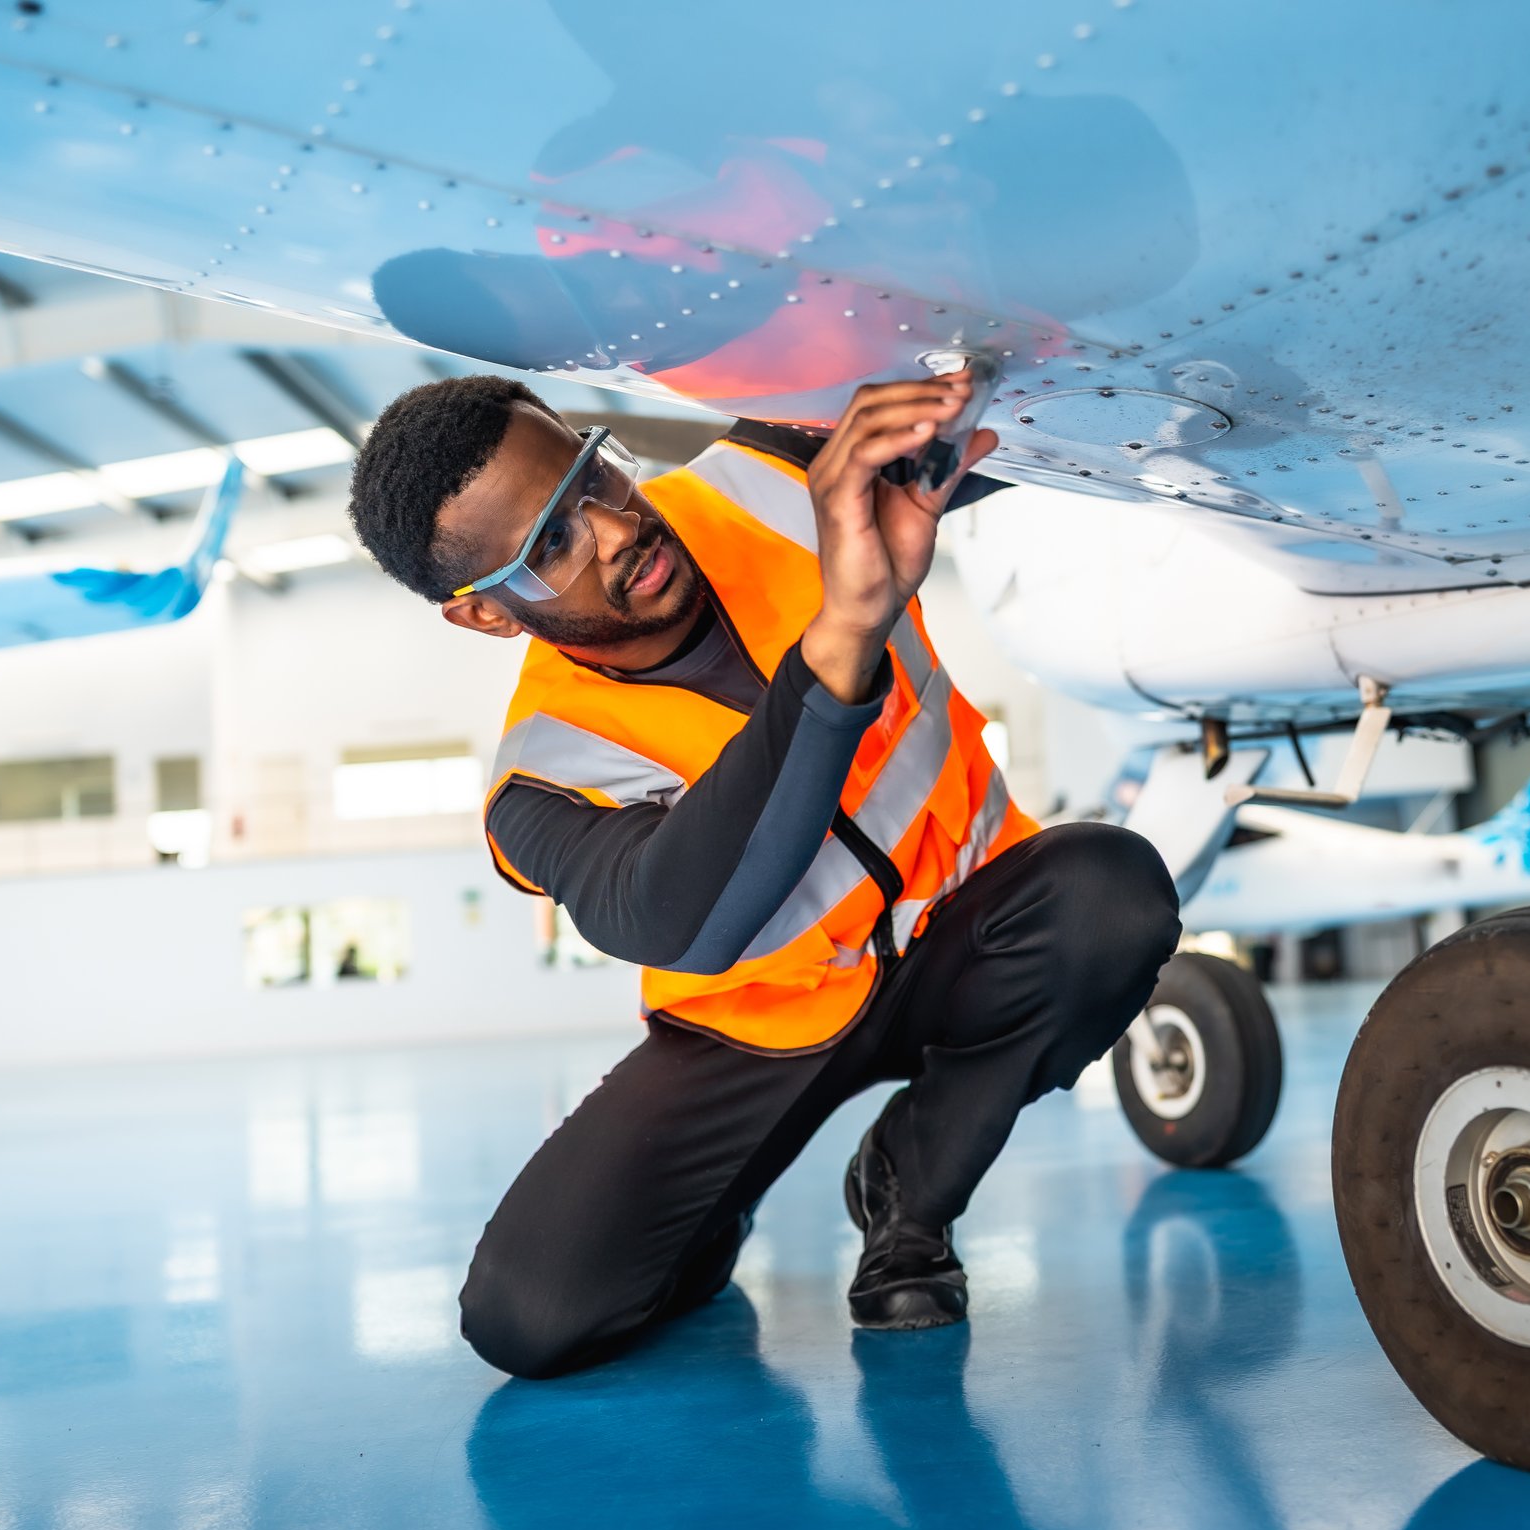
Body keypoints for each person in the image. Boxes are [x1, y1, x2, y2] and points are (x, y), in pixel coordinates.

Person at [348, 371, 1180, 1378]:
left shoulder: (782, 473)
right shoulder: (544, 778)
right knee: (529, 1315)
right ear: (487, 615)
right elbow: (682, 921)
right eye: (552, 546)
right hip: (756, 1029)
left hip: (965, 933)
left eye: (590, 477)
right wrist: (843, 635)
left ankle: (905, 1194)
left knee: (1111, 893)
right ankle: (708, 1223)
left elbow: (1053, 409)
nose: (612, 531)